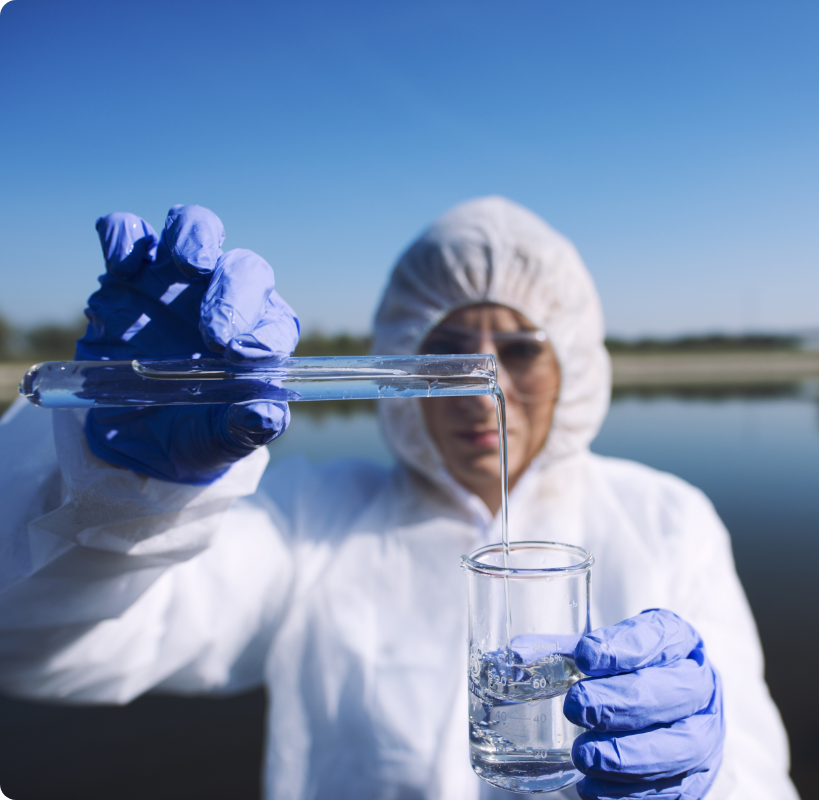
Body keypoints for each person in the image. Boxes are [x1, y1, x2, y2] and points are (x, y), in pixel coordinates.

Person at [0, 197, 797, 800]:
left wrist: (705, 780)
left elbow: (761, 774)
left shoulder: (666, 520)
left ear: (574, 365)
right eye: (446, 352)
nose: (481, 388)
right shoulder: (314, 520)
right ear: (405, 366)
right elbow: (40, 650)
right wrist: (118, 486)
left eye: (520, 350)